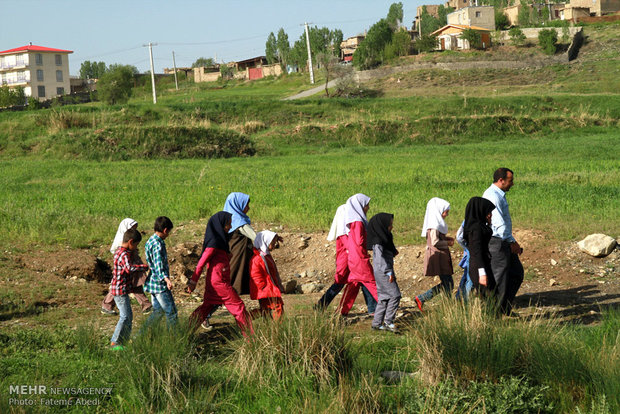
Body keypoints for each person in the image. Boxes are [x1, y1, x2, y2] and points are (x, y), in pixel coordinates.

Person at [188, 211, 253, 336]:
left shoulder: (220, 241)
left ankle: (186, 331)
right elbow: (201, 262)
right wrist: (193, 281)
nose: (230, 227)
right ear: (220, 224)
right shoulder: (214, 243)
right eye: (228, 224)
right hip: (219, 283)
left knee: (206, 307)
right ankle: (251, 337)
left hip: (215, 282)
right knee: (238, 306)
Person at [200, 192, 257, 330]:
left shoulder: (228, 219)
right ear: (238, 205)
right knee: (227, 290)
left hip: (231, 260)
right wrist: (270, 240)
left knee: (226, 291)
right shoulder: (239, 221)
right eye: (246, 204)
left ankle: (205, 317)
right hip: (234, 261)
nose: (248, 208)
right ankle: (245, 328)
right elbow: (255, 237)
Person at [315, 204, 377, 315]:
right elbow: (352, 246)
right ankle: (323, 305)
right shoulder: (344, 233)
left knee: (359, 282)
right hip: (348, 261)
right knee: (348, 282)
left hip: (351, 260)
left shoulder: (349, 230)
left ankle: (332, 308)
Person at [482, 168, 524, 316]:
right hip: (498, 241)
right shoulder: (493, 196)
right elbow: (499, 224)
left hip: (503, 240)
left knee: (516, 273)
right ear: (501, 180)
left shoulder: (498, 194)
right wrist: (512, 242)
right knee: (500, 279)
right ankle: (493, 315)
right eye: (510, 181)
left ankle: (504, 308)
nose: (512, 184)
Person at [101, 218, 152, 315]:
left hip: (132, 268)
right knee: (122, 286)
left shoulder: (128, 243)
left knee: (131, 284)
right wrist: (141, 267)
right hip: (130, 269)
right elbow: (126, 265)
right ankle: (146, 305)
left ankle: (146, 305)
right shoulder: (123, 245)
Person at [109, 228, 149, 350]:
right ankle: (115, 342)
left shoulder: (120, 251)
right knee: (125, 316)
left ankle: (123, 341)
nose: (136, 247)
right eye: (136, 244)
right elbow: (129, 268)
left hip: (122, 289)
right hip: (119, 290)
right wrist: (144, 267)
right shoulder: (123, 254)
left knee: (128, 316)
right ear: (131, 242)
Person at [339, 194, 379, 315]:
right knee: (373, 284)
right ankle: (387, 309)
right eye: (366, 205)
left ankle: (341, 311)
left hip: (353, 257)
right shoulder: (358, 222)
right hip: (360, 258)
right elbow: (359, 240)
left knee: (353, 286)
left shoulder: (353, 222)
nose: (368, 207)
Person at [415, 198, 454, 312]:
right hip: (438, 257)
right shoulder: (434, 224)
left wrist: (446, 239)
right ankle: (424, 299)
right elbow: (435, 242)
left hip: (441, 256)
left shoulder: (436, 223)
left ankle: (446, 305)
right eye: (445, 211)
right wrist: (447, 243)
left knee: (447, 283)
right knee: (448, 283)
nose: (447, 214)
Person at [368, 213, 401, 333]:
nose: (391, 227)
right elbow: (379, 260)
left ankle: (376, 323)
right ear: (382, 226)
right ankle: (388, 322)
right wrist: (388, 272)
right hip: (383, 272)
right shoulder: (378, 242)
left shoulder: (384, 238)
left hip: (381, 271)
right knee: (395, 295)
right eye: (389, 225)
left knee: (383, 297)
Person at [143, 216, 178, 327]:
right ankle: (174, 338)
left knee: (158, 312)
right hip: (159, 284)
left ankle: (143, 335)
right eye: (168, 232)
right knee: (171, 312)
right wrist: (166, 279)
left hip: (152, 282)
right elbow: (158, 265)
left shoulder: (150, 240)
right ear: (165, 230)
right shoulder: (158, 244)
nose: (168, 235)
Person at [462, 197, 496, 296]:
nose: (490, 214)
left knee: (490, 294)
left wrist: (489, 223)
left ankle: (496, 312)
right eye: (488, 211)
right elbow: (477, 252)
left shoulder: (478, 226)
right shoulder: (476, 229)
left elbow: (487, 234)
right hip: (478, 266)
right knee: (489, 296)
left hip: (481, 264)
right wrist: (482, 273)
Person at [249, 230, 285, 321]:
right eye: (272, 243)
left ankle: (246, 318)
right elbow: (255, 275)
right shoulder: (258, 258)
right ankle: (279, 327)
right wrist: (263, 286)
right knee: (277, 307)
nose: (274, 245)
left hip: (268, 288)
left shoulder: (266, 256)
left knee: (265, 310)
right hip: (265, 289)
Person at [454, 221, 473, 302]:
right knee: (470, 277)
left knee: (466, 276)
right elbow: (459, 237)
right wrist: (467, 248)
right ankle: (466, 303)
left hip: (471, 251)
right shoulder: (470, 219)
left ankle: (459, 298)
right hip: (472, 252)